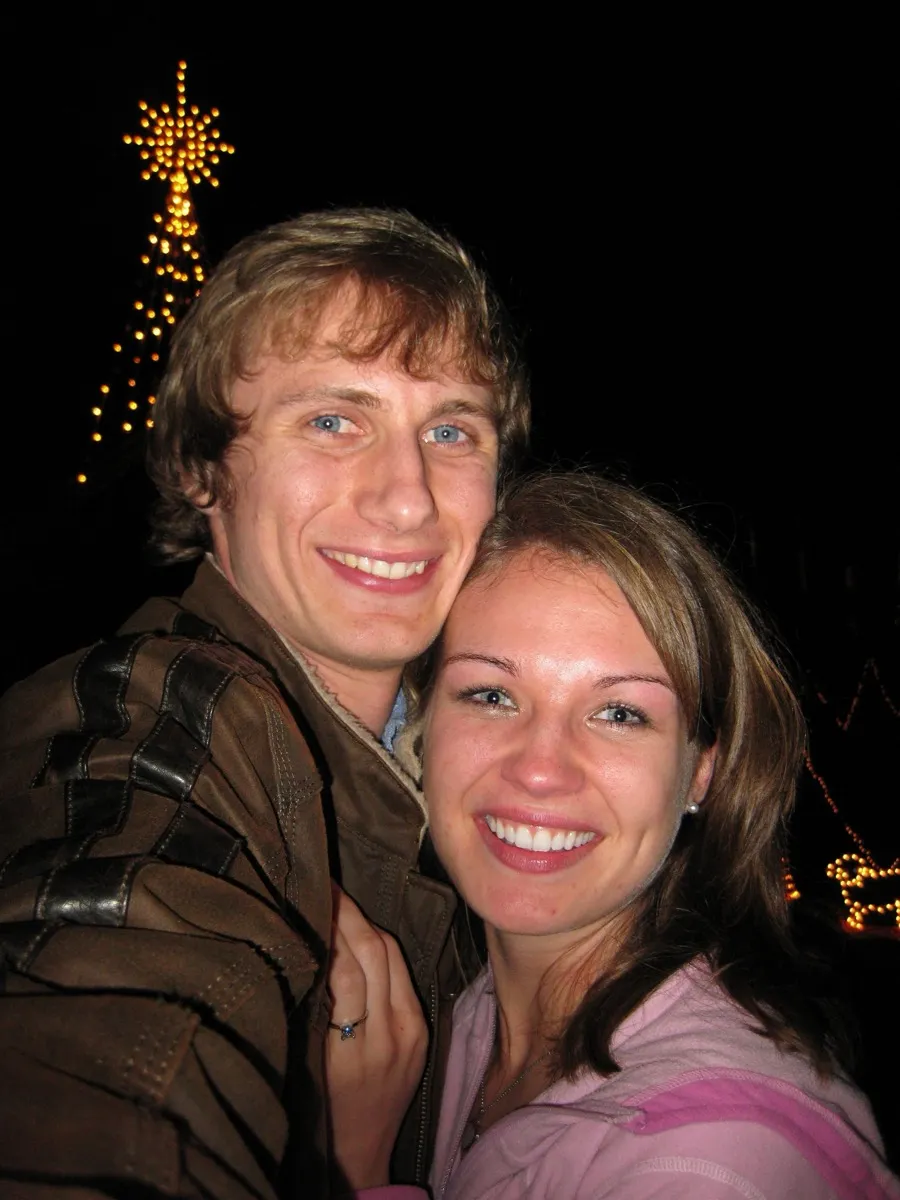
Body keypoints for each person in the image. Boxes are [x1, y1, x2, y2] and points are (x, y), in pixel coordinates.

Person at [0, 208, 529, 1198]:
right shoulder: (160, 711)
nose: (409, 497)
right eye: (334, 420)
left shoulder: (480, 766)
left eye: (451, 428)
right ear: (207, 471)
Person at [325, 472, 899, 1199]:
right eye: (492, 694)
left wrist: (352, 1168)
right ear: (422, 729)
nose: (539, 770)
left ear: (700, 770)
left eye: (620, 713)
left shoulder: (715, 1165)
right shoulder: (464, 1011)